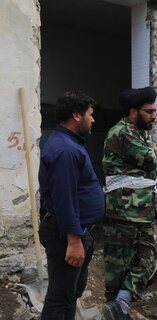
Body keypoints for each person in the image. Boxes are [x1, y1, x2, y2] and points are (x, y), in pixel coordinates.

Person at [102, 87, 157, 319]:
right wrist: (155, 151)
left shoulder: (143, 134)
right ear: (133, 112)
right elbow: (150, 159)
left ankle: (122, 302)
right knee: (118, 265)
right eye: (149, 111)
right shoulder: (121, 133)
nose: (154, 116)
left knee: (148, 257)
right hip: (123, 211)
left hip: (142, 211)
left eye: (155, 111)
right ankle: (115, 306)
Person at [38, 91, 104, 319]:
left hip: (76, 230)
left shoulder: (71, 144)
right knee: (60, 298)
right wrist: (74, 240)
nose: (93, 119)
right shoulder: (65, 150)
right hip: (65, 234)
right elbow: (64, 199)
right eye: (90, 114)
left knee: (70, 294)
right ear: (76, 115)